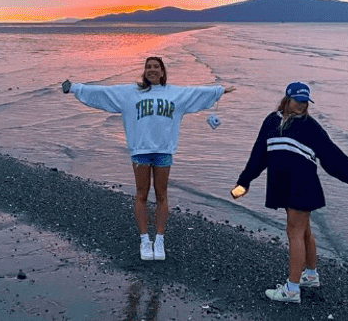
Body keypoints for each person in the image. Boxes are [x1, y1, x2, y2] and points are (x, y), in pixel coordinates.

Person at [61, 56, 232, 262]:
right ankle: (144, 240)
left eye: (156, 67)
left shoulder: (175, 93)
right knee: (141, 194)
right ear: (145, 71)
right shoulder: (130, 93)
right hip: (140, 150)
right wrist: (75, 88)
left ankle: (159, 240)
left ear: (162, 71)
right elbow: (103, 92)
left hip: (163, 151)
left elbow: (197, 92)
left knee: (162, 195)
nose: (152, 70)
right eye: (148, 67)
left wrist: (219, 90)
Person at [233, 81, 348, 303]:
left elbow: (332, 155)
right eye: (297, 100)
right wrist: (244, 181)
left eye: (305, 101)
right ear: (287, 99)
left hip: (302, 186)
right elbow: (259, 155)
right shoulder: (271, 121)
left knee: (295, 233)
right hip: (283, 185)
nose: (301, 105)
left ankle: (291, 290)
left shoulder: (310, 126)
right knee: (304, 231)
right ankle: (310, 275)